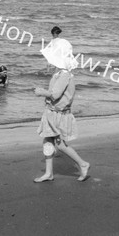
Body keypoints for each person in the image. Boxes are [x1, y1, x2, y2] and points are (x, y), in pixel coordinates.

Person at [34, 38, 90, 183]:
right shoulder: (60, 74)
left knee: (60, 144)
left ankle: (82, 164)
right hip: (52, 112)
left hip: (58, 114)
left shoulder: (64, 75)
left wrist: (41, 92)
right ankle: (48, 173)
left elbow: (55, 94)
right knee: (47, 141)